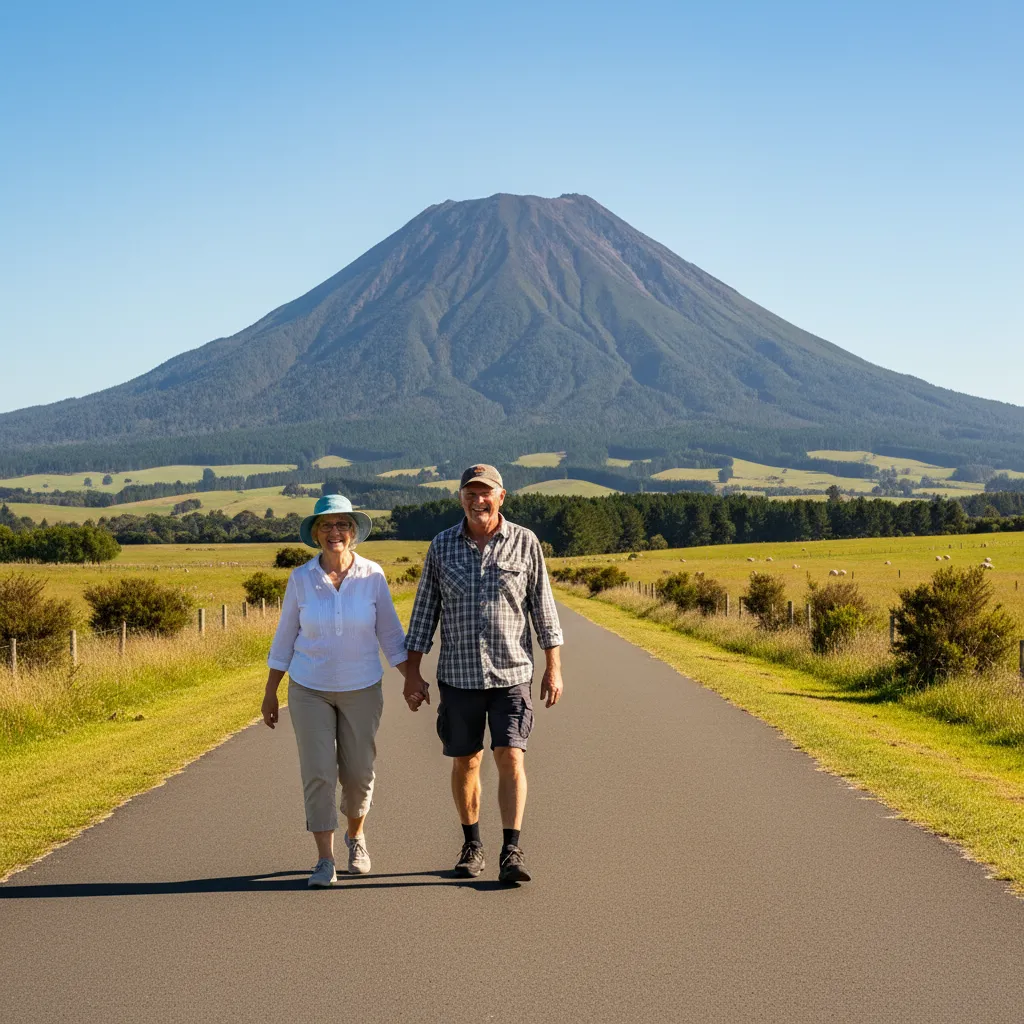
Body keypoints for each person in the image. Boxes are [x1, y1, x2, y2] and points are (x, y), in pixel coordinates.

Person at [403, 464, 564, 884]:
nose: (478, 501)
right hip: (458, 677)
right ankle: (472, 843)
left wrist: (554, 668)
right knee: (467, 762)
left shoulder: (526, 543)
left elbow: (543, 611)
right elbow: (424, 613)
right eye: (470, 493)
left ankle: (511, 849)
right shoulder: (441, 547)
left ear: (501, 497)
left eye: (486, 493)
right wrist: (412, 673)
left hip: (512, 674)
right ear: (461, 498)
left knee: (511, 755)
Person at [261, 493, 408, 888]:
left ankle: (355, 835)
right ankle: (324, 860)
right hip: (309, 689)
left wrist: (412, 677)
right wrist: (271, 691)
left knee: (359, 773)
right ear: (315, 534)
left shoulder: (373, 576)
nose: (334, 532)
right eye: (326, 525)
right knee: (319, 772)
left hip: (362, 686)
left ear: (354, 531)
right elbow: (285, 636)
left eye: (342, 524)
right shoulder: (301, 579)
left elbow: (391, 635)